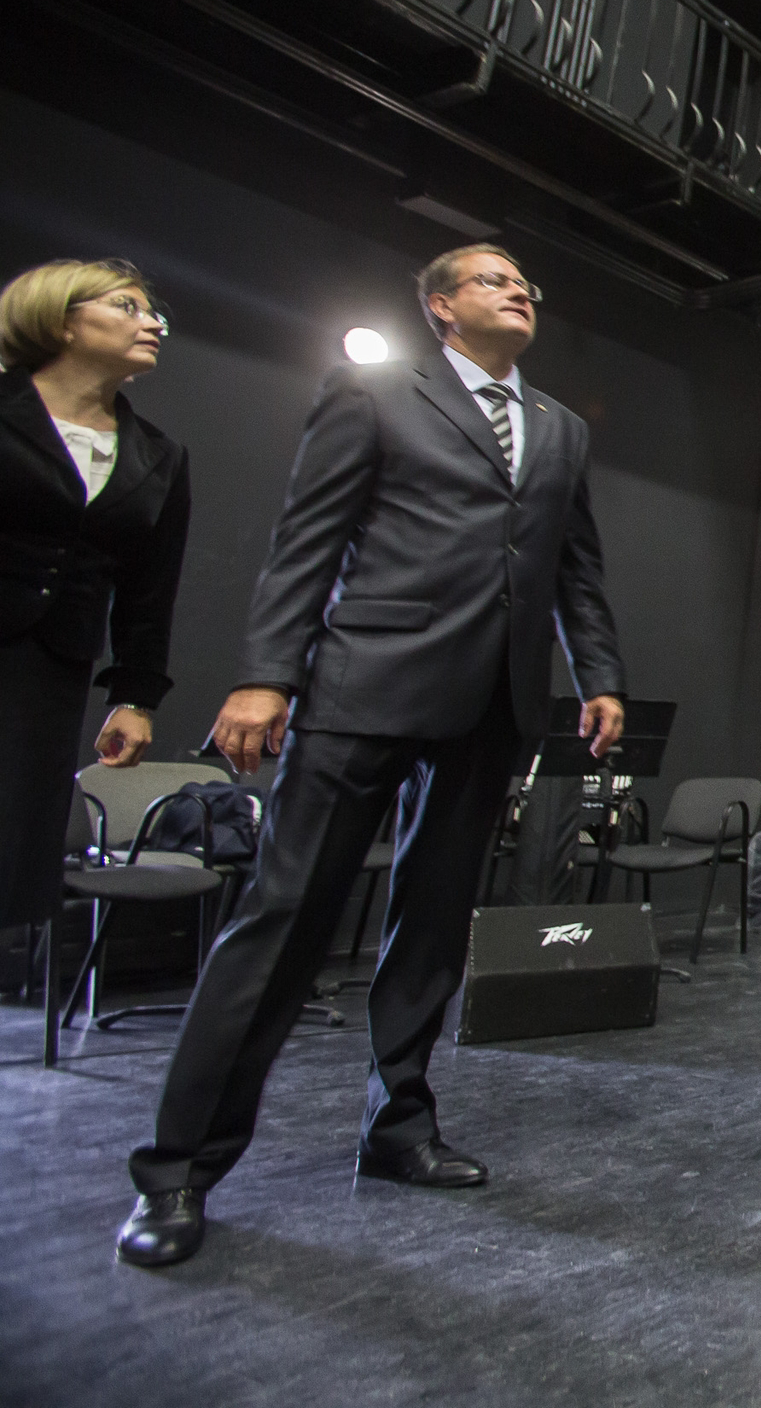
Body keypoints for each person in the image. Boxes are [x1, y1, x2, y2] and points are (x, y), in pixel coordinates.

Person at [117, 245, 626, 1270]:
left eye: (525, 283)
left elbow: (576, 568)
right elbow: (308, 538)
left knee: (432, 928)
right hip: (366, 685)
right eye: (490, 280)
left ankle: (398, 1126)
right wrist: (268, 675)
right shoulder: (375, 391)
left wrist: (600, 674)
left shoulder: (560, 427)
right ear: (440, 307)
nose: (517, 290)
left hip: (493, 703)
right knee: (284, 920)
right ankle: (178, 1170)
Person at [0, 261, 190, 957]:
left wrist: (135, 697)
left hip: (48, 673)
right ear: (62, 320)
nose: (152, 324)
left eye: (153, 313)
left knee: (10, 842)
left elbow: (149, 588)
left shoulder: (159, 455)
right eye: (126, 307)